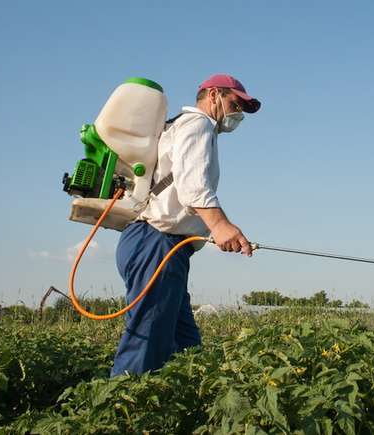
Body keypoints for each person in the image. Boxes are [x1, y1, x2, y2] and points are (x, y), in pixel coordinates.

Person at [110, 74, 261, 377]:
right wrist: (220, 226)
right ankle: (119, 409)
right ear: (214, 94)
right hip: (157, 243)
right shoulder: (198, 124)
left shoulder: (181, 126)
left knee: (186, 349)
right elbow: (192, 185)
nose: (238, 114)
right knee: (146, 346)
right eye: (235, 103)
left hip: (161, 246)